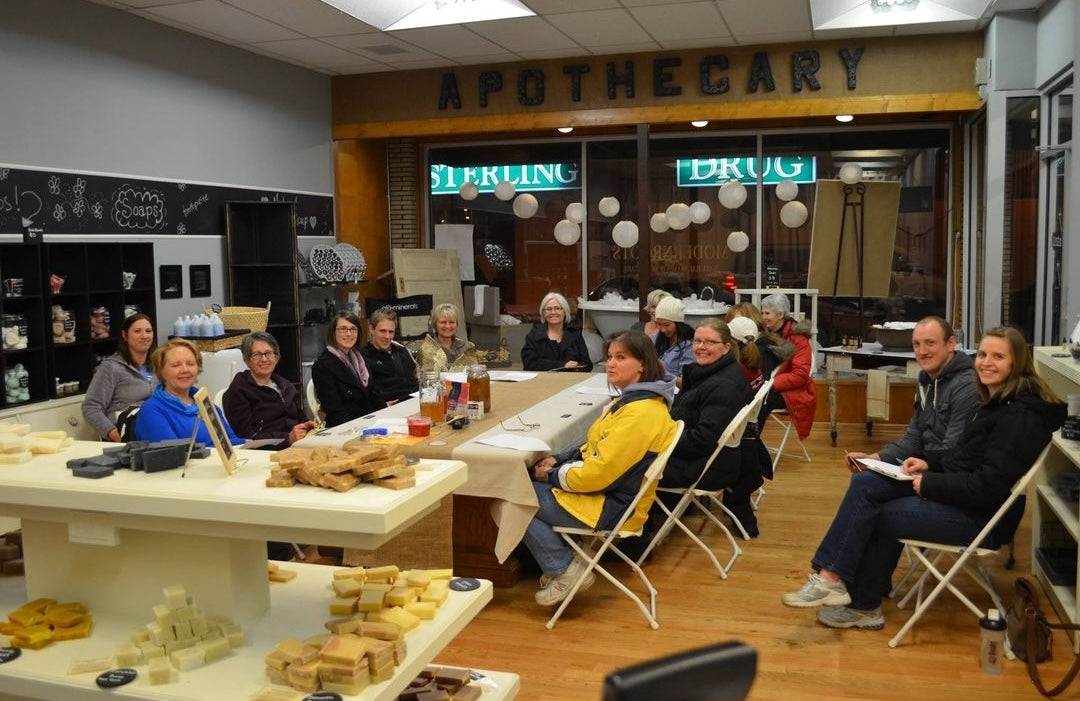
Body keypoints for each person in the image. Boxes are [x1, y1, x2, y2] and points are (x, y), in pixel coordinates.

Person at [781, 326, 1066, 630]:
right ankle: (833, 579)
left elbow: (987, 487)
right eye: (982, 354)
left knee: (878, 511)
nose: (985, 362)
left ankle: (862, 603)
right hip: (968, 500)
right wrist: (927, 463)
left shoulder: (1018, 417)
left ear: (1017, 363)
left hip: (985, 519)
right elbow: (965, 457)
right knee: (867, 483)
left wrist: (930, 483)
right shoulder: (1000, 404)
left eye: (998, 356)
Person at [525, 330, 678, 607]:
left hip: (613, 507)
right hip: (615, 497)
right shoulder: (637, 401)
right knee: (522, 489)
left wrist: (552, 475)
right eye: (609, 357)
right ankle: (568, 562)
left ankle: (563, 569)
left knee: (515, 496)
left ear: (642, 364)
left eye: (621, 357)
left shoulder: (640, 412)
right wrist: (559, 459)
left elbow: (598, 474)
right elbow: (597, 445)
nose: (611, 364)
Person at [659, 318, 761, 536]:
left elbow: (702, 439)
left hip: (710, 466)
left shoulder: (723, 385)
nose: (701, 347)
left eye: (709, 342)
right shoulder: (715, 373)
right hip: (715, 458)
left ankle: (635, 538)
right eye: (697, 341)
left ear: (726, 348)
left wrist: (658, 438)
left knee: (628, 463)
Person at [846, 316, 979, 467]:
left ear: (951, 344)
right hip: (926, 463)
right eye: (916, 344)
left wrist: (924, 467)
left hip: (946, 472)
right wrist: (874, 459)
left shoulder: (967, 386)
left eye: (930, 343)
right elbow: (914, 438)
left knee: (865, 483)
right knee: (865, 477)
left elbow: (954, 449)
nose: (922, 351)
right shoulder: (925, 379)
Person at [135, 338, 243, 445]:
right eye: (176, 365)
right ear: (161, 371)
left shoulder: (206, 404)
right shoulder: (151, 410)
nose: (185, 370)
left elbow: (234, 441)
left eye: (190, 364)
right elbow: (174, 454)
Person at [222, 331, 314, 447]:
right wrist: (287, 439)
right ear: (247, 360)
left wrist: (307, 427)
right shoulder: (238, 390)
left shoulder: (286, 385)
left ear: (276, 357)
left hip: (298, 445)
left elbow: (300, 418)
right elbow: (245, 436)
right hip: (266, 454)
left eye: (268, 353)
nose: (264, 359)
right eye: (257, 355)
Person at [82, 313, 155, 441]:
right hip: (124, 437)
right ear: (125, 336)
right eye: (137, 331)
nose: (144, 336)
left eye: (148, 331)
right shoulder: (111, 367)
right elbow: (91, 407)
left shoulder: (158, 365)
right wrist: (114, 434)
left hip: (153, 431)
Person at [311, 311, 386, 428]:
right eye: (343, 329)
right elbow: (335, 411)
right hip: (345, 429)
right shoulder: (322, 366)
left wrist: (386, 418)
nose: (349, 333)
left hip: (370, 423)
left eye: (353, 329)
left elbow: (375, 395)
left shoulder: (361, 359)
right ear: (333, 332)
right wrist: (362, 428)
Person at [760, 293, 817, 439]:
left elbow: (800, 375)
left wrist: (770, 384)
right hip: (769, 385)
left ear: (780, 314)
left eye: (767, 313)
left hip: (793, 392)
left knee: (758, 402)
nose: (763, 317)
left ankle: (751, 442)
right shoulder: (766, 333)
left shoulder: (798, 338)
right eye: (762, 313)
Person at [360, 307, 419, 405]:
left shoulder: (402, 351)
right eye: (382, 331)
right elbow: (364, 395)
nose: (387, 337)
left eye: (391, 332)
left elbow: (416, 379)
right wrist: (380, 406)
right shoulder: (363, 357)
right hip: (388, 411)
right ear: (371, 329)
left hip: (417, 403)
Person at [521, 292, 592, 372]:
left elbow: (587, 365)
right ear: (544, 313)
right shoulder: (534, 335)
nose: (553, 312)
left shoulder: (575, 334)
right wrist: (562, 365)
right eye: (549, 309)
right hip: (542, 382)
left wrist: (575, 367)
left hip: (570, 380)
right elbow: (529, 364)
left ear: (565, 311)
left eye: (557, 308)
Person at [418, 303, 477, 373]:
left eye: (451, 322)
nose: (448, 326)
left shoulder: (466, 347)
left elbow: (474, 372)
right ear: (435, 324)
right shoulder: (426, 349)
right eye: (443, 322)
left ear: (456, 324)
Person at [653, 296, 695, 383]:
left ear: (678, 323)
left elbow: (686, 383)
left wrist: (664, 373)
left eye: (667, 325)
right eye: (659, 324)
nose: (662, 329)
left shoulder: (689, 345)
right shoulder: (657, 338)